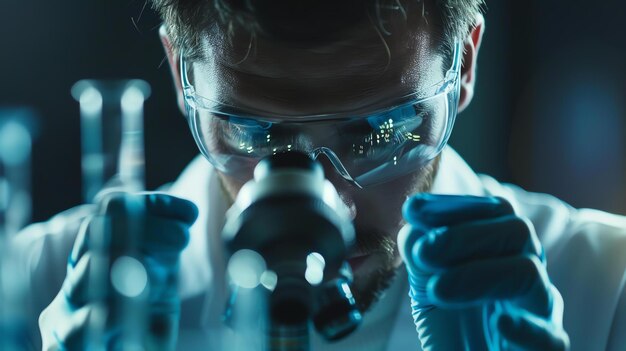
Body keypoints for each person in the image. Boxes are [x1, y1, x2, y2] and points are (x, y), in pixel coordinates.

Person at [13, 0, 626, 350]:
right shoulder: (31, 291)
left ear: (463, 62)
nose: (331, 204)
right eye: (256, 133)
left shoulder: (607, 293)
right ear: (181, 75)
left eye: (378, 133)